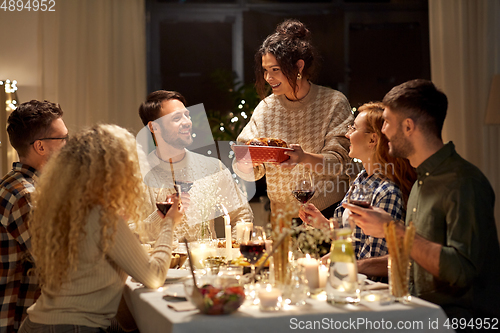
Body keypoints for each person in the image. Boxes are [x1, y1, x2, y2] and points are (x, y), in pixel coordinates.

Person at [345, 79, 500, 320]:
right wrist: (361, 266)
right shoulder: (421, 181)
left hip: (458, 321)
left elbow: (462, 270)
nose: (383, 131)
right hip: (419, 310)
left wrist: (393, 230)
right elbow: (417, 255)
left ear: (408, 126)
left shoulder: (463, 182)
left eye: (386, 122)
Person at [20, 124, 183, 331]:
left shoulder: (66, 211)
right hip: (73, 328)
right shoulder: (102, 216)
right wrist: (169, 223)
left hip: (37, 324)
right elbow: (154, 276)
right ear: (113, 170)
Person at [234, 19, 353, 219]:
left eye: (275, 70)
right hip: (282, 216)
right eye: (265, 70)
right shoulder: (266, 109)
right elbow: (249, 162)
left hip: (327, 212)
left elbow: (340, 163)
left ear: (298, 66)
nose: (268, 78)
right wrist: (245, 164)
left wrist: (303, 158)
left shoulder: (333, 102)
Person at [299, 102, 416, 263]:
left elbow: (374, 260)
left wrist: (335, 265)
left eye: (353, 128)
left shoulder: (387, 191)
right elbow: (353, 241)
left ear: (372, 139)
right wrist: (323, 224)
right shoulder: (361, 179)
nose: (347, 134)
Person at [138, 90, 253, 243]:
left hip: (206, 265)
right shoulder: (137, 174)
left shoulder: (212, 168)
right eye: (177, 118)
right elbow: (126, 232)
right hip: (160, 265)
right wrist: (160, 215)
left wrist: (230, 253)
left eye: (187, 115)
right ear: (154, 127)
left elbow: (243, 215)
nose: (187, 122)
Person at [1, 100, 68, 333]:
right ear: (40, 146)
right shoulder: (27, 196)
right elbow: (62, 265)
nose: (69, 147)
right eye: (64, 139)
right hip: (21, 320)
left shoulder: (17, 185)